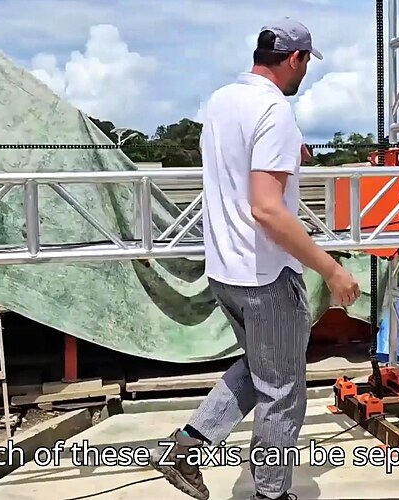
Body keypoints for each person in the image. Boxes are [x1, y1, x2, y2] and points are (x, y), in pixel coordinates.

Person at [148, 18, 361, 500]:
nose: (305, 72)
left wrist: (290, 152)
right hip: (266, 275)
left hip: (226, 270)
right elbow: (266, 208)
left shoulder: (222, 102)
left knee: (262, 370)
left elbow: (238, 165)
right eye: (306, 62)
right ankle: (271, 494)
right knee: (283, 394)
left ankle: (183, 450)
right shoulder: (275, 112)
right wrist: (331, 268)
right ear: (295, 59)